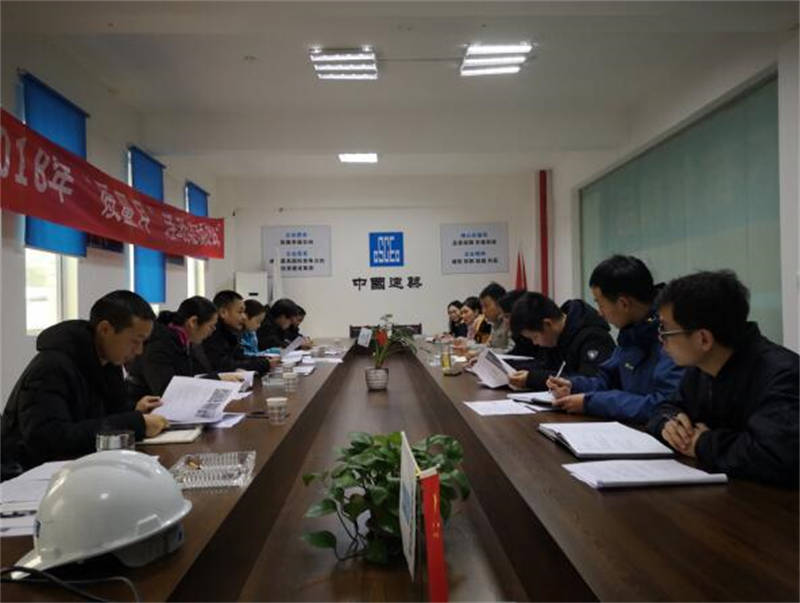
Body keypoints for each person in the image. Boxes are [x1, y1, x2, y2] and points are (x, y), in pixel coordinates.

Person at [646, 271, 798, 487]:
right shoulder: (701, 367)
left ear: (703, 339)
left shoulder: (783, 375)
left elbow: (776, 456)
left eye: (665, 330)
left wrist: (702, 443)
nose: (661, 340)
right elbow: (667, 407)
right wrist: (668, 423)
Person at [1, 290, 169, 475]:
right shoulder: (51, 367)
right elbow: (49, 439)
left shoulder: (108, 362)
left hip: (80, 467)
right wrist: (136, 424)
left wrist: (135, 409)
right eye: (135, 341)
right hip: (26, 472)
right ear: (105, 329)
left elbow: (104, 413)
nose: (139, 351)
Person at [547, 255, 683, 423]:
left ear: (623, 304)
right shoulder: (631, 332)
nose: (600, 312)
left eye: (600, 304)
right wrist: (574, 386)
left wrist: (591, 402)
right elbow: (607, 380)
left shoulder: (673, 335)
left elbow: (664, 406)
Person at [126, 296, 241, 399]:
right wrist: (217, 379)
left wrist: (219, 377)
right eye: (211, 326)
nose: (213, 331)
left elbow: (190, 377)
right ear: (193, 322)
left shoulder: (184, 341)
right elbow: (166, 389)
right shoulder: (160, 343)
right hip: (143, 406)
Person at [508, 292, 616, 390]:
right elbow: (545, 366)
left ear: (548, 324)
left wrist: (533, 379)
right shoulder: (554, 338)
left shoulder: (594, 337)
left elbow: (590, 381)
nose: (535, 343)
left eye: (535, 337)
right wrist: (516, 370)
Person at [201, 290, 271, 374]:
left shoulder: (230, 332)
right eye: (240, 312)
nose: (244, 317)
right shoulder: (212, 333)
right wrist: (262, 364)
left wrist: (264, 360)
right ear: (223, 312)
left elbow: (239, 357)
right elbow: (225, 366)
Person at [480, 282, 510, 350]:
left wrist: (485, 353)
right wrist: (468, 347)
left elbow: (511, 351)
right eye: (482, 307)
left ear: (499, 304)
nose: (483, 311)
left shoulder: (509, 322)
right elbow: (489, 346)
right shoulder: (495, 322)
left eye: (486, 306)